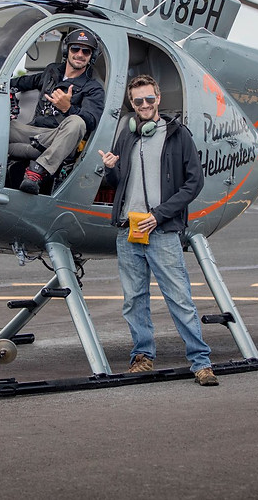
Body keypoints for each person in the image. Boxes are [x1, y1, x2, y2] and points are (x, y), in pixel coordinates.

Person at [98, 74, 218, 386]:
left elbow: (194, 182)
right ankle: (142, 356)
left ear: (158, 99)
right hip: (128, 229)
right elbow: (118, 185)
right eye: (138, 101)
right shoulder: (127, 134)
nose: (144, 105)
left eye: (149, 99)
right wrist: (111, 169)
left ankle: (200, 362)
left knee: (179, 297)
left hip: (162, 230)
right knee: (134, 299)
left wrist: (160, 214)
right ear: (132, 104)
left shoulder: (177, 135)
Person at [9, 28, 106, 195]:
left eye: (86, 51)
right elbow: (23, 82)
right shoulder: (51, 72)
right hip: (33, 133)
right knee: (3, 125)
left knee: (77, 122)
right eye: (75, 49)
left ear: (92, 56)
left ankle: (37, 172)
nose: (80, 54)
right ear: (66, 50)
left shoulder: (93, 88)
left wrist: (68, 108)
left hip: (59, 137)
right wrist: (4, 87)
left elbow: (90, 121)